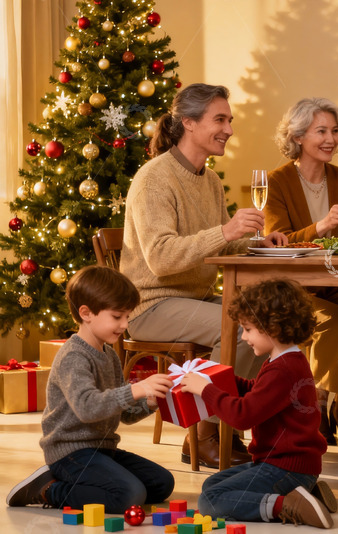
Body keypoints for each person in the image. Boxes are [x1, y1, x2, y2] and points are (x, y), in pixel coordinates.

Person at [120, 83, 288, 468]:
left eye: (230, 120)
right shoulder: (154, 178)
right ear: (189, 123)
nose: (229, 129)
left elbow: (218, 246)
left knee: (266, 323)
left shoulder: (209, 180)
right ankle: (205, 433)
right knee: (238, 330)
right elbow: (161, 258)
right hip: (151, 304)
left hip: (193, 299)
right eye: (220, 120)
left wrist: (254, 243)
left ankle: (234, 427)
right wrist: (227, 231)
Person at [6, 266, 175, 512]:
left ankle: (89, 483)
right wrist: (137, 389)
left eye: (127, 316)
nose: (124, 324)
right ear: (86, 313)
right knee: (129, 494)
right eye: (117, 317)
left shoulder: (110, 356)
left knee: (162, 483)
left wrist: (149, 402)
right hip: (70, 454)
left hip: (103, 449)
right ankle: (48, 490)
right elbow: (87, 408)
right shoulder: (73, 356)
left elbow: (123, 414)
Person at [265, 98, 338, 445]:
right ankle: (316, 407)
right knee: (334, 321)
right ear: (298, 136)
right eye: (321, 131)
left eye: (335, 131)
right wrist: (322, 225)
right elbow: (278, 242)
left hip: (336, 283)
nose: (331, 139)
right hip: (293, 289)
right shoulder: (276, 181)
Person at [180, 279, 335, 529]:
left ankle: (286, 505)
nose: (244, 337)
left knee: (210, 500)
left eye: (248, 329)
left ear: (271, 327)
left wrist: (206, 390)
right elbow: (257, 391)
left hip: (285, 467)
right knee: (212, 484)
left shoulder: (283, 369)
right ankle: (306, 493)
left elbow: (243, 416)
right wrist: (219, 379)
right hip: (284, 465)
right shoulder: (285, 360)